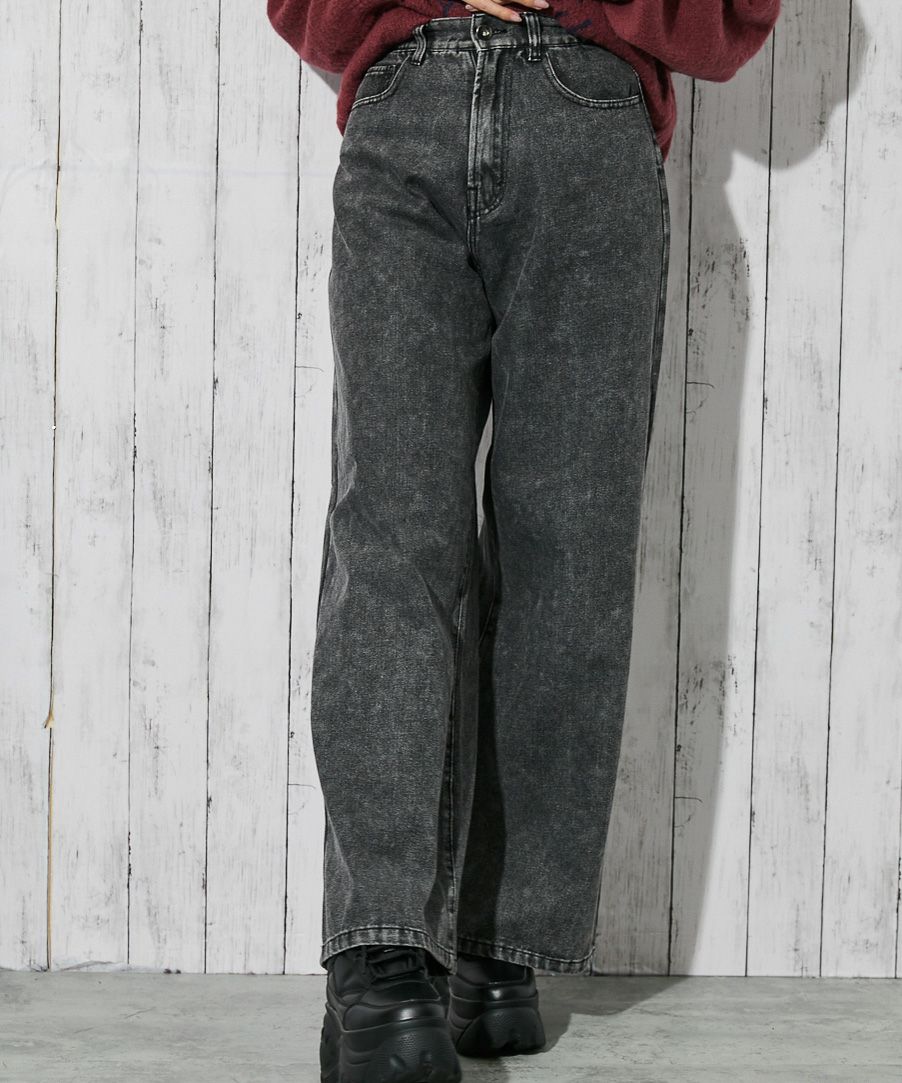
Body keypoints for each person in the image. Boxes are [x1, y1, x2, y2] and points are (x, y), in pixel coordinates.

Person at [267, 1, 781, 1080]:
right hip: (404, 120)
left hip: (586, 126)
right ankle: (380, 956)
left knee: (567, 557)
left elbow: (736, 18)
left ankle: (503, 949)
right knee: (392, 539)